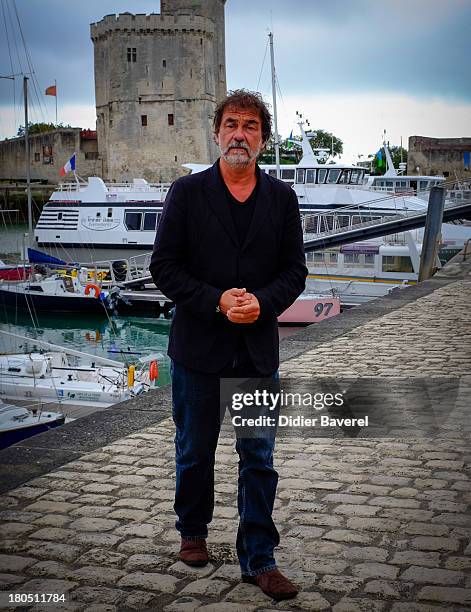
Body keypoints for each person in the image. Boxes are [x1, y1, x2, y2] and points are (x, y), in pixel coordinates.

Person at [149, 89, 307, 601]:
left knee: (258, 456)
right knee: (195, 451)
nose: (241, 134)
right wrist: (217, 300)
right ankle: (192, 532)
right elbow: (164, 268)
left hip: (256, 351)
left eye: (252, 126)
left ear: (263, 137)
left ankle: (259, 558)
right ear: (217, 132)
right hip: (198, 348)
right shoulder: (187, 193)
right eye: (232, 124)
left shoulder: (281, 198)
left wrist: (261, 303)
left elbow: (295, 271)